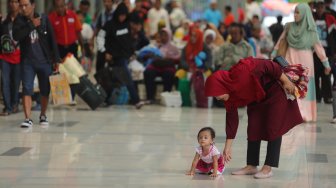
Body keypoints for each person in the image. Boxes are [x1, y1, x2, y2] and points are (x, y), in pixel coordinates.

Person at [205, 57, 304, 179]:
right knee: (253, 127)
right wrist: (227, 148)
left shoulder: (242, 72)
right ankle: (251, 166)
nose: (217, 99)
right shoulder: (229, 95)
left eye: (217, 94)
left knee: (274, 127)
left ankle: (268, 168)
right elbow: (231, 119)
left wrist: (286, 81)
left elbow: (269, 65)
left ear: (221, 86)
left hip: (274, 90)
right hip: (257, 97)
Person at [272, 3, 331, 122]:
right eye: (294, 12)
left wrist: (326, 64)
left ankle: (305, 115)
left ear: (305, 14)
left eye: (298, 12)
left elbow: (318, 47)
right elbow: (280, 42)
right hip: (290, 58)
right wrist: (273, 57)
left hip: (306, 61)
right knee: (289, 84)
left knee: (305, 87)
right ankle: (291, 113)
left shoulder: (311, 29)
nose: (295, 15)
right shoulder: (289, 27)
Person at [13, 0, 61, 127]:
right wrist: (31, 25)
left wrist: (56, 59)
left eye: (26, 5)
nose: (23, 8)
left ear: (33, 5)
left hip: (44, 61)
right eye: (21, 5)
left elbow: (52, 39)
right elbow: (17, 36)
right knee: (27, 89)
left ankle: (43, 115)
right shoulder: (19, 20)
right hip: (27, 62)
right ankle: (28, 118)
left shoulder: (44, 18)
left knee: (45, 90)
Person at [104, 2, 144, 109]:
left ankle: (107, 99)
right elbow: (104, 40)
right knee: (125, 77)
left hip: (124, 56)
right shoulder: (110, 25)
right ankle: (136, 100)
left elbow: (128, 41)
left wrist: (132, 53)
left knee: (117, 78)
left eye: (124, 16)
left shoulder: (127, 25)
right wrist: (106, 52)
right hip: (114, 56)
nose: (122, 18)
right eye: (120, 15)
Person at [143, 28, 180, 104]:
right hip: (156, 65)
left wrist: (169, 57)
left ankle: (165, 97)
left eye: (165, 35)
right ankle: (150, 97)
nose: (163, 37)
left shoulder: (173, 47)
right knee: (148, 72)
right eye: (161, 35)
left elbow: (178, 58)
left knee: (168, 74)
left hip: (167, 65)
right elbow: (145, 54)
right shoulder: (155, 45)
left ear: (169, 36)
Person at [0, 0, 21, 116]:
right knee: (5, 81)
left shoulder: (23, 20)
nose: (13, 4)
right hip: (4, 57)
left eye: (16, 2)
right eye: (11, 2)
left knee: (16, 82)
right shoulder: (4, 22)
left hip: (18, 57)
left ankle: (14, 104)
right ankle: (7, 107)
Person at [313, 1, 336, 104]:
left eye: (321, 6)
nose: (320, 9)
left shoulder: (330, 18)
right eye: (318, 7)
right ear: (315, 8)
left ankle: (327, 96)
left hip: (328, 51)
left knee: (326, 74)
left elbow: (335, 36)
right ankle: (317, 97)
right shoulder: (311, 18)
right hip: (314, 51)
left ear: (324, 7)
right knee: (316, 74)